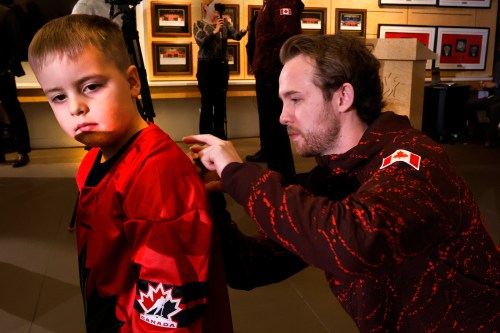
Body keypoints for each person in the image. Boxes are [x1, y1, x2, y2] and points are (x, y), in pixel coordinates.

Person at [183, 34, 500, 332]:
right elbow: (251, 267)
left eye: (295, 99)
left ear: (343, 97)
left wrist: (238, 173)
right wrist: (211, 200)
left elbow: (354, 243)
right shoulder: (337, 173)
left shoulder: (412, 159)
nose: (282, 116)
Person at [28, 14, 233, 332]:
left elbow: (167, 305)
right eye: (58, 97)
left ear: (133, 82)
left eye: (91, 86)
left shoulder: (156, 174)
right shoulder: (93, 158)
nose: (75, 107)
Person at [245, 0, 304, 184]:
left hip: (274, 73)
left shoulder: (283, 1)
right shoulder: (269, 3)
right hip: (266, 70)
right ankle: (277, 173)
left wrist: (277, 70)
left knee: (276, 126)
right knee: (270, 125)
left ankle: (283, 177)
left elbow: (286, 37)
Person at [193, 0, 247, 140]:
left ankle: (219, 137)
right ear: (206, 6)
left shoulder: (225, 23)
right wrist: (215, 30)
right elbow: (201, 42)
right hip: (206, 67)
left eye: (219, 5)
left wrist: (246, 29)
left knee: (220, 103)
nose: (217, 8)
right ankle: (206, 137)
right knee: (207, 103)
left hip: (221, 66)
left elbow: (237, 36)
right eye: (214, 5)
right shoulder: (199, 24)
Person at [0, 0, 31, 167]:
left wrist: (9, 69)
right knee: (11, 109)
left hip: (3, 71)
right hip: (4, 70)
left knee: (12, 109)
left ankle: (23, 150)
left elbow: (17, 43)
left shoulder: (5, 13)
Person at [463, 58, 500, 148]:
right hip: (495, 97)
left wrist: (496, 84)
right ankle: (479, 133)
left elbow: (496, 84)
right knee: (469, 105)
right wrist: (485, 85)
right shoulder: (498, 64)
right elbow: (494, 85)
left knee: (494, 109)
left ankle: (491, 138)